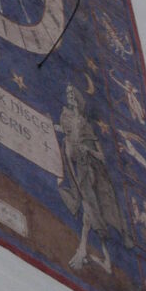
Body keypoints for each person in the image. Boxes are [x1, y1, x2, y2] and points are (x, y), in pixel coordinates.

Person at [56, 84, 133, 273]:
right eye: (68, 94)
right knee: (89, 214)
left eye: (72, 94)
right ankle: (99, 256)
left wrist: (87, 150)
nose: (70, 97)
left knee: (91, 214)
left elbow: (101, 156)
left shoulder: (86, 126)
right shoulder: (66, 117)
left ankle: (86, 251)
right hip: (78, 172)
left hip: (92, 174)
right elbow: (68, 141)